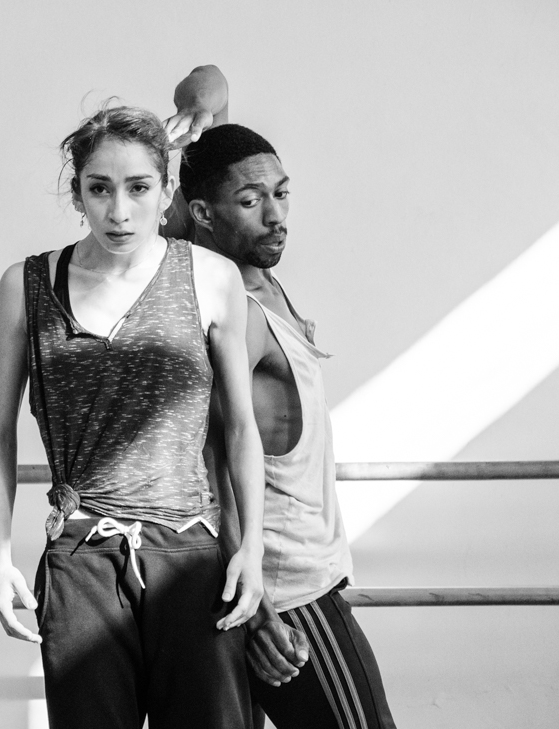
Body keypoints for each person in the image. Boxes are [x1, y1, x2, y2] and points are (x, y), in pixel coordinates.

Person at [0, 104, 267, 729]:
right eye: (99, 189)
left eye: (138, 188)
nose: (119, 211)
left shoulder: (212, 278)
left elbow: (241, 428)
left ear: (166, 191)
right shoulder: (26, 285)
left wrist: (252, 548)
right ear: (76, 191)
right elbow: (0, 433)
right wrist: (0, 557)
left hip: (189, 555)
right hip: (81, 556)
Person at [164, 66, 397, 729]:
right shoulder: (228, 302)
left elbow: (210, 82)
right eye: (252, 200)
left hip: (282, 586)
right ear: (202, 214)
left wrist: (197, 114)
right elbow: (209, 468)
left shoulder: (252, 269)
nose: (275, 215)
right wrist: (260, 605)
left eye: (282, 193)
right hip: (289, 595)